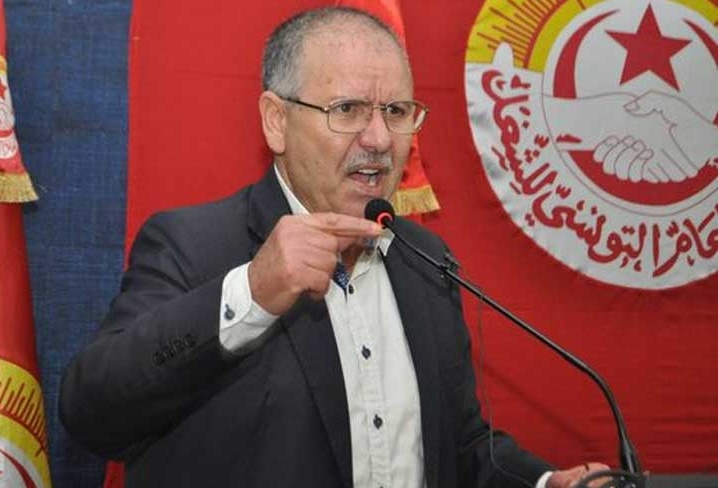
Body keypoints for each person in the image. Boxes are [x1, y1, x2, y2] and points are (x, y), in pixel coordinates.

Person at [59, 7, 608, 488]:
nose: (378, 139)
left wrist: (544, 482)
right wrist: (251, 294)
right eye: (347, 109)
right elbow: (92, 413)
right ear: (276, 121)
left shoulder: (425, 260)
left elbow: (456, 448)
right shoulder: (193, 245)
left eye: (396, 112)